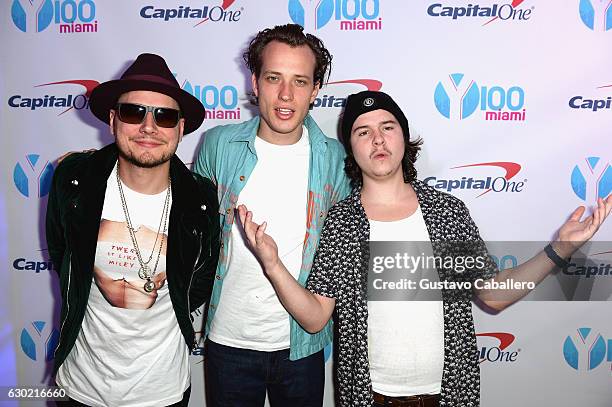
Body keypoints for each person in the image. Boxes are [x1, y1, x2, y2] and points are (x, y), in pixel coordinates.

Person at [237, 90, 612, 407]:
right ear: (351, 149)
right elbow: (316, 316)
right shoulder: (341, 222)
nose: (378, 140)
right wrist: (273, 265)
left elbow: (492, 295)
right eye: (363, 132)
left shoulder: (445, 212)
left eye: (388, 127)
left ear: (404, 136)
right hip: (368, 397)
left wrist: (559, 249)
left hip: (448, 396)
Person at [46, 53, 220, 406]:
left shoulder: (201, 197)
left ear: (181, 129)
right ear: (112, 120)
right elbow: (63, 254)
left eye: (165, 116)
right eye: (133, 112)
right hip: (80, 388)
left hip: (163, 392)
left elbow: (199, 281)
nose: (149, 127)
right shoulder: (74, 180)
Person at [193, 24, 350, 406]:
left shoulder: (336, 159)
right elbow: (182, 214)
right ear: (255, 82)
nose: (285, 94)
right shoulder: (218, 145)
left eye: (300, 82)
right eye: (274, 78)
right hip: (228, 341)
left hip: (301, 344)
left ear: (315, 91)